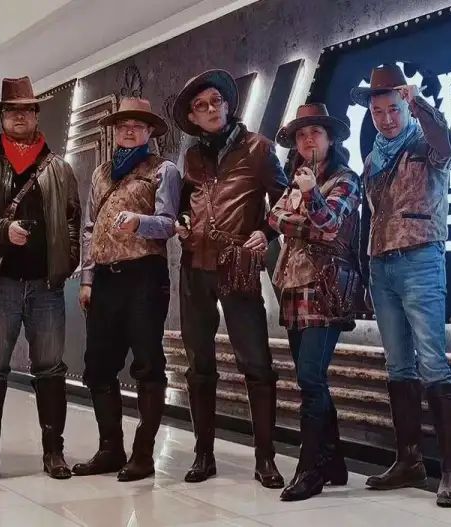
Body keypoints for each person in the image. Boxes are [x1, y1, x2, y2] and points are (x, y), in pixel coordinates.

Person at [350, 64, 451, 506]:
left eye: (394, 109)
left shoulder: (425, 142)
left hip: (420, 260)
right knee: (398, 366)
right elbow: (368, 219)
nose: (387, 119)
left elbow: (449, 145)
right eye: (378, 112)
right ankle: (409, 460)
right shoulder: (372, 158)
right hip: (381, 268)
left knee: (433, 363)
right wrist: (365, 273)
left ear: (406, 105)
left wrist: (421, 105)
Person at [174, 69, 288, 488]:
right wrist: (182, 222)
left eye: (215, 102)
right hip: (194, 266)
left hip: (237, 266)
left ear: (227, 104)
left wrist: (267, 231)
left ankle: (266, 459)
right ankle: (203, 454)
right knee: (199, 363)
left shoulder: (258, 148)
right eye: (200, 106)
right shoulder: (192, 157)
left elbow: (286, 198)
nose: (210, 110)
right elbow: (185, 203)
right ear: (193, 117)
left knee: (256, 362)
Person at [0, 76, 81, 482]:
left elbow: (72, 219)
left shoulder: (59, 168)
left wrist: (67, 263)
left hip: (46, 286)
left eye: (26, 110)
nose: (19, 116)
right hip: (0, 283)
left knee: (50, 369)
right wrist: (4, 229)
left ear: (36, 114)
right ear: (2, 116)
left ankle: (54, 452)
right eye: (12, 110)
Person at [71, 97, 181, 482]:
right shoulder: (102, 173)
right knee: (98, 365)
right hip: (106, 278)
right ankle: (110, 449)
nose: (129, 130)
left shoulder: (163, 170)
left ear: (149, 131)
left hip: (144, 276)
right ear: (115, 131)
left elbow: (170, 223)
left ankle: (143, 454)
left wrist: (140, 222)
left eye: (137, 125)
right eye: (123, 125)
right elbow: (90, 229)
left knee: (148, 364)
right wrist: (87, 279)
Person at [267, 103, 363, 501]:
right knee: (312, 379)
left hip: (326, 290)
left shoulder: (346, 179)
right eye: (302, 135)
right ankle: (333, 461)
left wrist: (309, 197)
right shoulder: (294, 181)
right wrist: (306, 217)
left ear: (330, 139)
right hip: (292, 289)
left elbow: (330, 224)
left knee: (309, 378)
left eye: (316, 133)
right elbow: (273, 219)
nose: (308, 140)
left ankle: (310, 470)